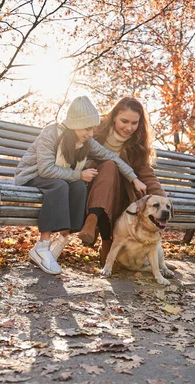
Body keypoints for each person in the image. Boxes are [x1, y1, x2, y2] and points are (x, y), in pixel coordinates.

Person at [14, 96, 145, 275]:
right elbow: (45, 170)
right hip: (33, 175)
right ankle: (42, 246)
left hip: (58, 178)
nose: (91, 133)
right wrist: (79, 174)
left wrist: (134, 178)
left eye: (93, 128)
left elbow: (112, 157)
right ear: (75, 124)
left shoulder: (87, 143)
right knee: (61, 185)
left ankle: (62, 239)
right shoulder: (51, 133)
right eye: (88, 128)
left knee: (78, 187)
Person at [77, 97, 166, 266]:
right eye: (124, 121)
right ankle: (102, 235)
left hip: (119, 197)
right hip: (90, 188)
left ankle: (96, 225)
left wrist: (162, 198)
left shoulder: (137, 145)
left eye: (134, 123)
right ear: (114, 117)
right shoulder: (95, 133)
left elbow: (146, 174)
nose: (129, 128)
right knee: (109, 166)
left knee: (112, 170)